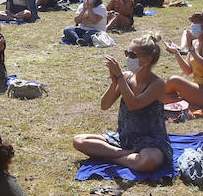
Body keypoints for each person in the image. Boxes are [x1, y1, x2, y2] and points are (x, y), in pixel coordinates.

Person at [71, 34, 173, 173]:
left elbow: (134, 104)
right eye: (127, 53)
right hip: (124, 138)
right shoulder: (126, 77)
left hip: (150, 142)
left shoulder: (157, 84)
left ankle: (109, 156)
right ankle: (127, 156)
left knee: (148, 161)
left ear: (148, 59)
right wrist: (114, 83)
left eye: (132, 54)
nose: (128, 58)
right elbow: (104, 105)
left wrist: (119, 77)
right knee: (79, 141)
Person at [162, 11, 203, 113]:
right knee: (165, 90)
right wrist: (176, 52)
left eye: (196, 22)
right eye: (192, 22)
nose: (193, 26)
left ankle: (181, 102)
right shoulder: (195, 42)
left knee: (173, 80)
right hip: (200, 89)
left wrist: (190, 47)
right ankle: (184, 103)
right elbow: (188, 70)